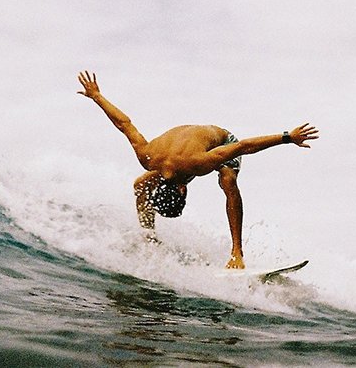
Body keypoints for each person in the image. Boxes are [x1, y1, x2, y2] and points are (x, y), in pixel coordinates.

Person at [77, 71, 318, 269]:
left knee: (227, 181)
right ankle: (149, 238)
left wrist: (288, 137)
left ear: (182, 191)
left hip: (223, 140)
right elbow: (125, 124)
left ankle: (237, 252)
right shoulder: (148, 158)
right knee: (140, 184)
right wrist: (97, 96)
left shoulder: (200, 164)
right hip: (184, 149)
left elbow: (243, 146)